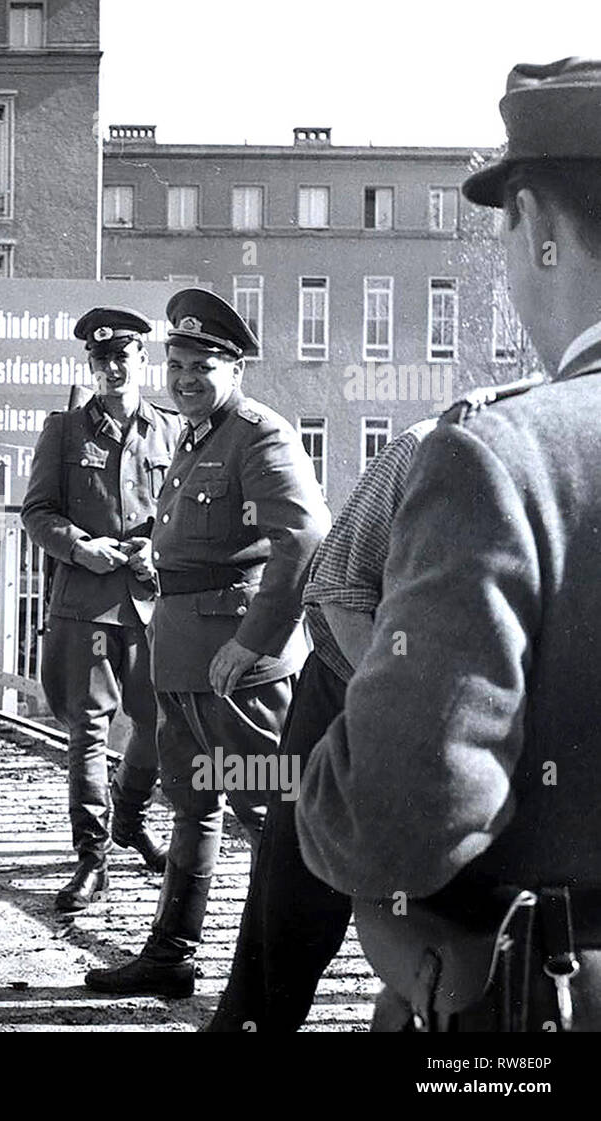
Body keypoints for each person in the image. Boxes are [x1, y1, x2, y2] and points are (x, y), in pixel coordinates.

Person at [298, 57, 601, 1032]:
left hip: (540, 1005)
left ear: (537, 228)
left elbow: (395, 822)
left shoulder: (501, 462)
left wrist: (325, 780)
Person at [85, 288, 329, 998]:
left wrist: (255, 642)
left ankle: (272, 975)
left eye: (203, 367)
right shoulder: (196, 436)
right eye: (179, 364)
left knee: (268, 816)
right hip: (186, 657)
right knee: (193, 803)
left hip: (238, 671)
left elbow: (305, 541)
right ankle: (171, 954)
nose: (186, 379)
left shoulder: (259, 435)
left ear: (236, 369)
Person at [204, 418, 439, 1031]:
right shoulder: (425, 444)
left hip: (466, 713)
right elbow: (335, 587)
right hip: (349, 682)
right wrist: (404, 700)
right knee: (298, 879)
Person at [21, 306, 180, 913]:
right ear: (90, 365)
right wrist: (80, 547)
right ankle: (91, 856)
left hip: (150, 603)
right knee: (87, 730)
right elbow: (36, 512)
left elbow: (183, 515)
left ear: (144, 361)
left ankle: (130, 818)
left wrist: (155, 550)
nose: (112, 367)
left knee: (159, 723)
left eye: (123, 357)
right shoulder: (63, 432)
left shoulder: (170, 430)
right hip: (85, 604)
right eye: (101, 359)